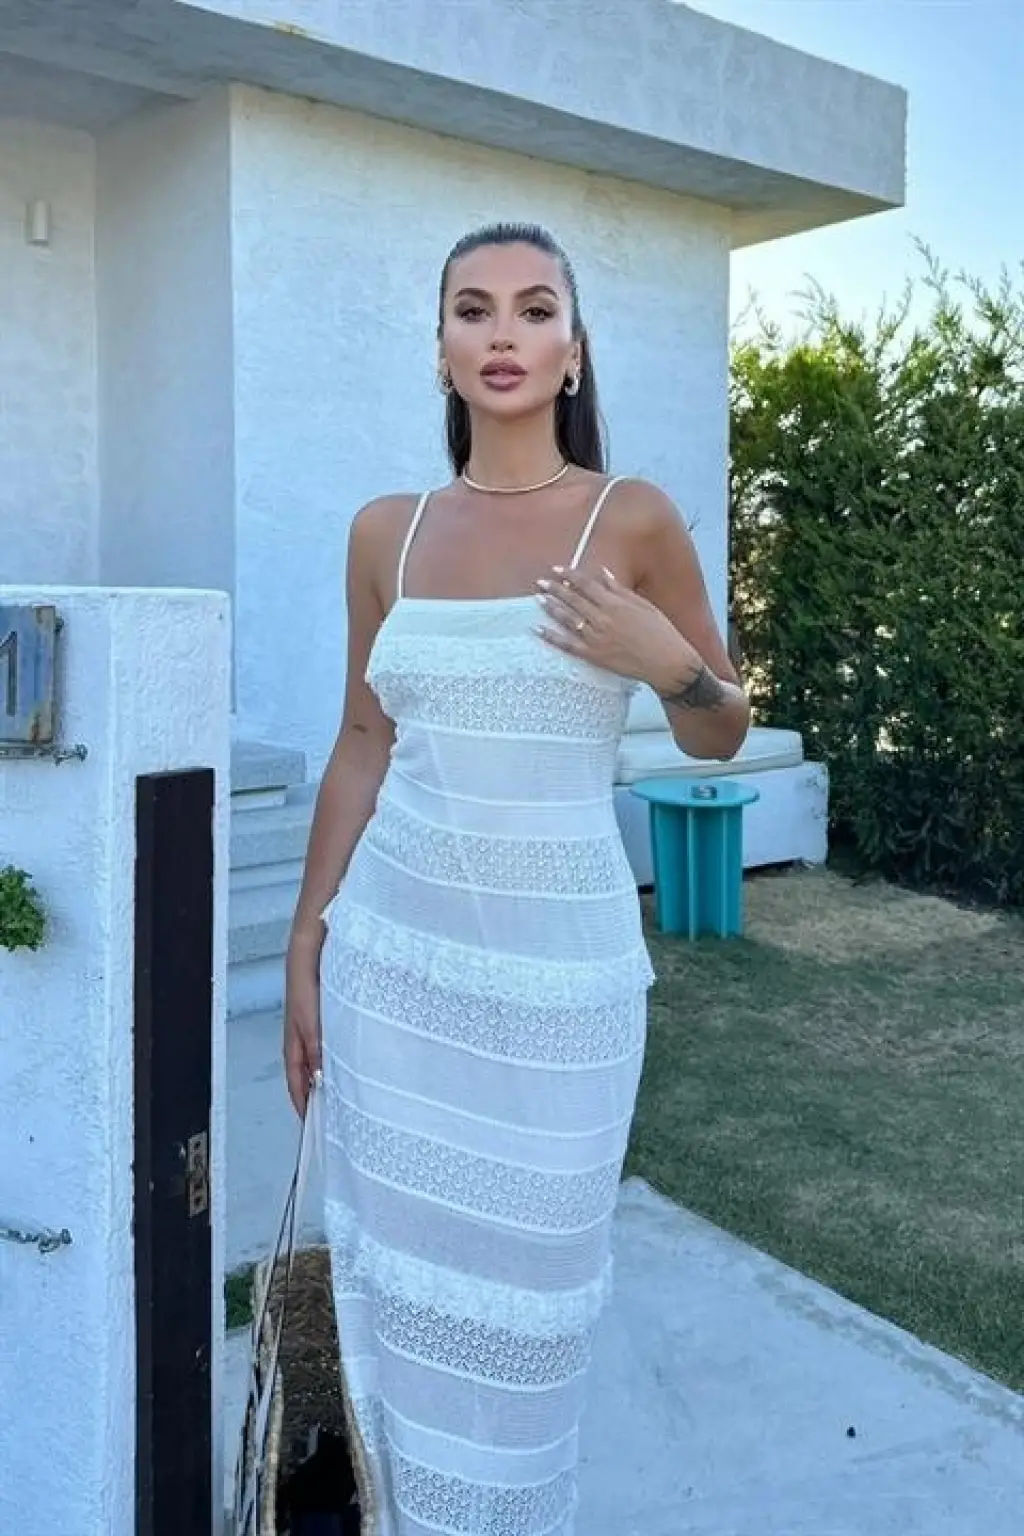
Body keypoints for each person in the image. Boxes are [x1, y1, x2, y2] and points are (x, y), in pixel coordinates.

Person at [284, 222, 749, 1536]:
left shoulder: (630, 517)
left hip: (562, 992)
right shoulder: (386, 535)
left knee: (530, 1316)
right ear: (440, 349)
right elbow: (362, 741)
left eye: (535, 310)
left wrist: (668, 662)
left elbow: (718, 729)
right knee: (401, 1295)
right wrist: (308, 942)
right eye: (473, 309)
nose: (503, 333)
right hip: (395, 969)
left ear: (573, 351)